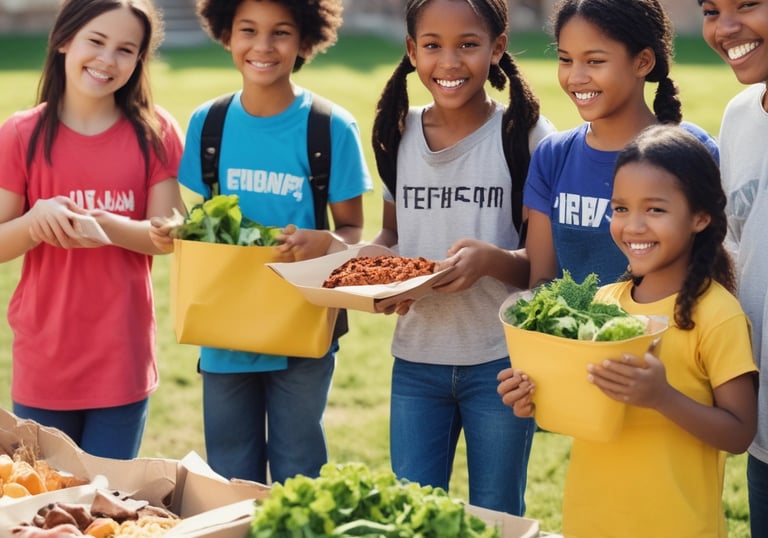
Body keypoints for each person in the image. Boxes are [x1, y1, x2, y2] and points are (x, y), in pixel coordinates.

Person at [498, 124, 758, 538]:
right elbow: (586, 409)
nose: (632, 226)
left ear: (700, 217)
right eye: (620, 209)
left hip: (678, 527)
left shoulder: (717, 314)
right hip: (590, 520)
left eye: (655, 210)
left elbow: (740, 432)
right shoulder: (603, 304)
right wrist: (533, 395)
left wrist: (662, 397)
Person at [150, 0, 371, 484]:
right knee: (229, 473)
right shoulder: (209, 123)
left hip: (301, 329)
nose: (263, 46)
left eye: (281, 33)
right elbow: (202, 221)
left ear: (306, 41)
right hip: (224, 328)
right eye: (248, 30)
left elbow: (353, 230)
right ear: (226, 34)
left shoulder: (329, 128)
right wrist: (177, 229)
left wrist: (325, 240)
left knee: (298, 471)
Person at [369, 0, 556, 515]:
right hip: (415, 361)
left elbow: (543, 269)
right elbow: (391, 234)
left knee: (495, 512)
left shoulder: (528, 137)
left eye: (468, 45)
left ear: (497, 47)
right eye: (432, 46)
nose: (449, 63)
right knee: (411, 511)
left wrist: (490, 260)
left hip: (500, 363)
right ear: (412, 51)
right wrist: (371, 266)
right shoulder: (395, 134)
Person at [0, 0, 184, 459]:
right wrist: (33, 223)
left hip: (121, 360)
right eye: (96, 42)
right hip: (44, 361)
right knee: (42, 506)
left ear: (139, 61)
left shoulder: (156, 131)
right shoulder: (21, 134)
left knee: (107, 503)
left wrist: (111, 226)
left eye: (126, 49)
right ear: (64, 40)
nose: (107, 60)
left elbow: (167, 235)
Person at [524, 0, 719, 289]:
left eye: (594, 61)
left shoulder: (693, 150)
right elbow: (541, 281)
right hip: (568, 335)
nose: (576, 77)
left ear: (642, 62)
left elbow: (714, 270)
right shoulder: (553, 155)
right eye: (566, 60)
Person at [699, 1, 768, 535]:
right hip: (763, 427)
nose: (725, 28)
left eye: (748, 3)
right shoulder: (740, 116)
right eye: (711, 9)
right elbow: (736, 251)